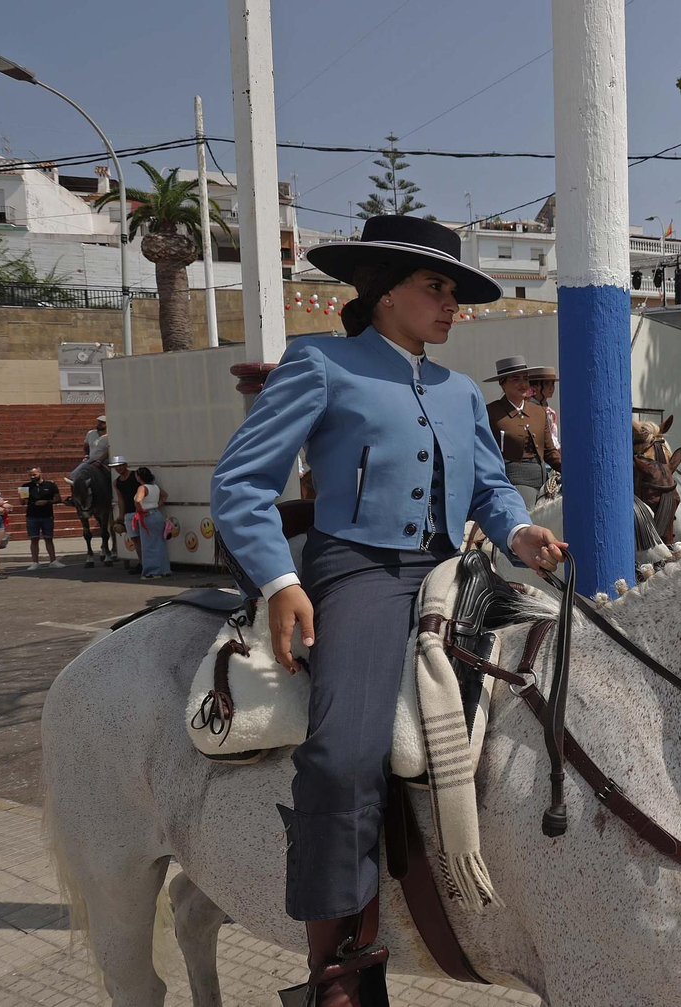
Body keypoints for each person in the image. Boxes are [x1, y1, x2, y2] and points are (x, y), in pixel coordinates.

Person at [209, 215, 564, 1007]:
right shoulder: (321, 363)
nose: (451, 304)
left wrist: (519, 530)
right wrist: (281, 580)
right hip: (360, 571)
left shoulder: (460, 391)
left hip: (456, 569)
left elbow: (490, 486)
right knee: (343, 755)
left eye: (455, 290)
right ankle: (336, 968)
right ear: (384, 291)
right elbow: (240, 483)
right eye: (437, 286)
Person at [482, 355, 562, 507]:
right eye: (516, 379)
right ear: (502, 384)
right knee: (528, 512)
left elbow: (550, 452)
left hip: (543, 476)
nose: (523, 384)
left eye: (525, 379)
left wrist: (568, 469)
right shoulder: (491, 412)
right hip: (514, 479)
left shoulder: (539, 412)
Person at [21, 467, 65, 570]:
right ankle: (35, 562)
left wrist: (47, 502)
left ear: (40, 473)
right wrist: (22, 498)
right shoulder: (25, 486)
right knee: (34, 539)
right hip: (32, 515)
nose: (32, 477)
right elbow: (22, 502)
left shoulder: (50, 485)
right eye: (30, 475)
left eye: (34, 474)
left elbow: (58, 499)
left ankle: (53, 560)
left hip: (47, 515)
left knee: (48, 538)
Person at [132, 466, 171, 578]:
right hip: (157, 514)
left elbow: (138, 500)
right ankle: (164, 569)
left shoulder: (142, 488)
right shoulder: (155, 487)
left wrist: (141, 510)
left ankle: (151, 571)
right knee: (159, 543)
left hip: (147, 516)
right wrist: (157, 505)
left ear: (139, 477)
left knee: (148, 544)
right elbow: (165, 495)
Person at [110, 457, 142, 574]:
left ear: (125, 465)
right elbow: (121, 499)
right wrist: (121, 515)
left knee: (144, 539)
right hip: (129, 514)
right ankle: (142, 563)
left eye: (120, 465)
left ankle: (149, 563)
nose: (118, 468)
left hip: (141, 512)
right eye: (116, 466)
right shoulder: (117, 482)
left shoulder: (135, 476)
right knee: (135, 539)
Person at [525, 364, 561, 452]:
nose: (551, 388)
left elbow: (553, 437)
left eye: (552, 384)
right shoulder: (528, 409)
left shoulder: (550, 412)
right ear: (535, 387)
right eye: (546, 384)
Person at [66, 415, 110, 487]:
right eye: (99, 422)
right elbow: (86, 446)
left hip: (105, 461)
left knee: (110, 475)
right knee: (73, 474)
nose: (99, 424)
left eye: (102, 422)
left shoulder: (110, 436)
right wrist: (86, 456)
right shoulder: (91, 433)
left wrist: (99, 461)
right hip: (91, 459)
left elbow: (109, 451)